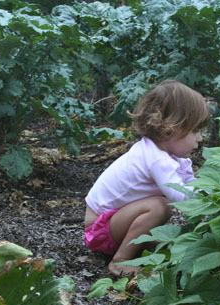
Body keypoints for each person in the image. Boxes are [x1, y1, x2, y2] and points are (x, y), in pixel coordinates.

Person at [84, 80, 210, 276]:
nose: (200, 139)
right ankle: (121, 260)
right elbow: (183, 198)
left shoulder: (162, 154)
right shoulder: (156, 160)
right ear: (172, 128)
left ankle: (138, 243)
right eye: (195, 131)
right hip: (98, 230)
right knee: (161, 206)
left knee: (161, 206)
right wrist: (216, 193)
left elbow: (189, 185)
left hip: (109, 222)